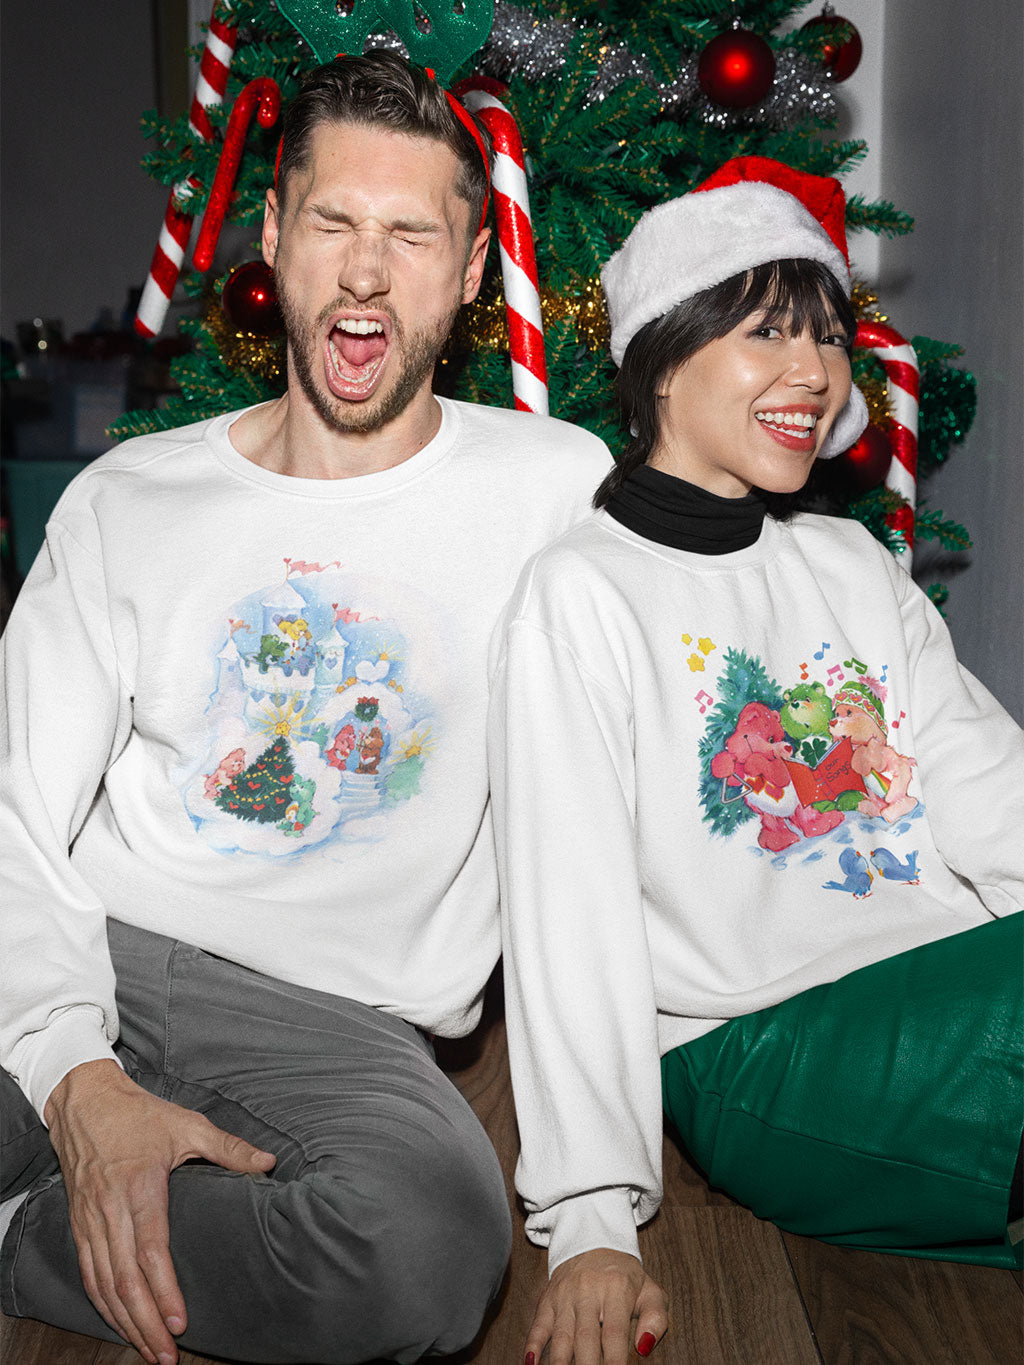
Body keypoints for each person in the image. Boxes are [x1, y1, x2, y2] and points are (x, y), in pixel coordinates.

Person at [0, 51, 611, 1365]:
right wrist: (77, 1073)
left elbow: (624, 800)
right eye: (334, 222)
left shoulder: (558, 492)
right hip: (93, 941)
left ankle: (26, 1234)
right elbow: (13, 811)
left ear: (467, 274)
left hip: (334, 1023)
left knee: (428, 1247)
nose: (369, 270)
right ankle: (107, 1150)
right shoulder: (129, 499)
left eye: (412, 234)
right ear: (274, 239)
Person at [488, 156, 1024, 1364]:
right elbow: (566, 919)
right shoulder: (581, 598)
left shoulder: (844, 563)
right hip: (759, 1048)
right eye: (766, 332)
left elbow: (986, 787)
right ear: (664, 357)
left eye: (830, 336)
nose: (816, 374)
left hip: (933, 988)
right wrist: (590, 1227)